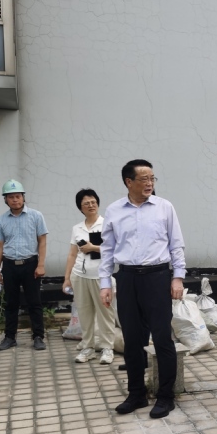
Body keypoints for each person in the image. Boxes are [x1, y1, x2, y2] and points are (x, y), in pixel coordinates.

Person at [99, 159, 186, 419]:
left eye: (152, 178)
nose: (149, 183)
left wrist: (178, 277)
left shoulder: (164, 207)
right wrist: (105, 283)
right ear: (129, 182)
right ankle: (136, 393)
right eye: (144, 179)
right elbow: (107, 250)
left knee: (162, 338)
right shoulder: (114, 210)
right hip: (127, 279)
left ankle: (166, 396)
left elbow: (176, 245)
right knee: (132, 339)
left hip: (157, 277)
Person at [0, 180, 48, 352]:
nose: (15, 200)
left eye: (18, 196)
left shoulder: (36, 216)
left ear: (23, 197)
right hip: (9, 265)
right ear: (5, 200)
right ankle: (10, 337)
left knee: (34, 302)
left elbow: (42, 241)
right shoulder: (1, 220)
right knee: (11, 303)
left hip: (30, 264)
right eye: (11, 197)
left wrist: (41, 265)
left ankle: (38, 336)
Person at [64, 189, 117, 365]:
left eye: (93, 202)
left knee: (105, 313)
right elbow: (72, 254)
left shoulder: (107, 224)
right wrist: (67, 278)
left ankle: (107, 348)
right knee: (84, 312)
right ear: (80, 208)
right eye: (86, 203)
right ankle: (88, 347)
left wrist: (93, 248)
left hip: (101, 276)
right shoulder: (77, 228)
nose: (91, 205)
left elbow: (116, 250)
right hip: (79, 275)